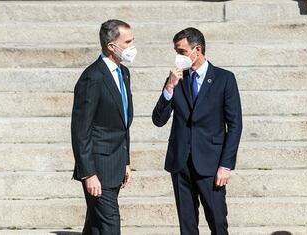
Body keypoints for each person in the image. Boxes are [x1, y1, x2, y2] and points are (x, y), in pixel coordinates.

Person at [152, 27, 243, 235]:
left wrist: (226, 165)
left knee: (218, 222)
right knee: (187, 225)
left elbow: (235, 124)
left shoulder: (224, 79)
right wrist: (169, 88)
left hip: (211, 164)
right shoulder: (176, 79)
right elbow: (158, 120)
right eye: (176, 52)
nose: (178, 57)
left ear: (197, 49)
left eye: (182, 52)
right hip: (181, 162)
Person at [71, 19, 136, 235]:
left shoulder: (123, 73)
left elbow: (122, 123)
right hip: (98, 167)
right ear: (111, 46)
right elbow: (81, 130)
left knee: (96, 226)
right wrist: (88, 173)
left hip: (116, 162)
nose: (132, 47)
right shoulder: (93, 77)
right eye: (127, 42)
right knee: (110, 225)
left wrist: (126, 161)